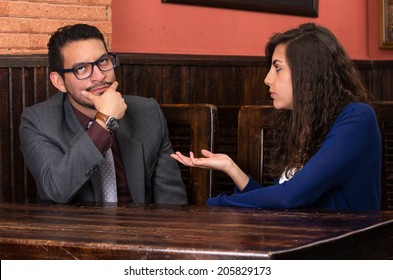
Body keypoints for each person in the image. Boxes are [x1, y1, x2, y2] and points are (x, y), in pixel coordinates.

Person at [171, 23, 381, 210]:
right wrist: (231, 168)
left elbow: (288, 198)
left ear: (307, 74)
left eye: (277, 68)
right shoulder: (302, 121)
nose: (267, 79)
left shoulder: (357, 118)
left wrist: (214, 204)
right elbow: (279, 202)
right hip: (298, 243)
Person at [19, 24, 187, 205]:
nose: (99, 76)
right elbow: (56, 189)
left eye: (103, 61)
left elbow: (172, 202)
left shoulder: (148, 112)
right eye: (81, 68)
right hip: (74, 231)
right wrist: (104, 121)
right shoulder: (38, 121)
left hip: (139, 229)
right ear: (59, 82)